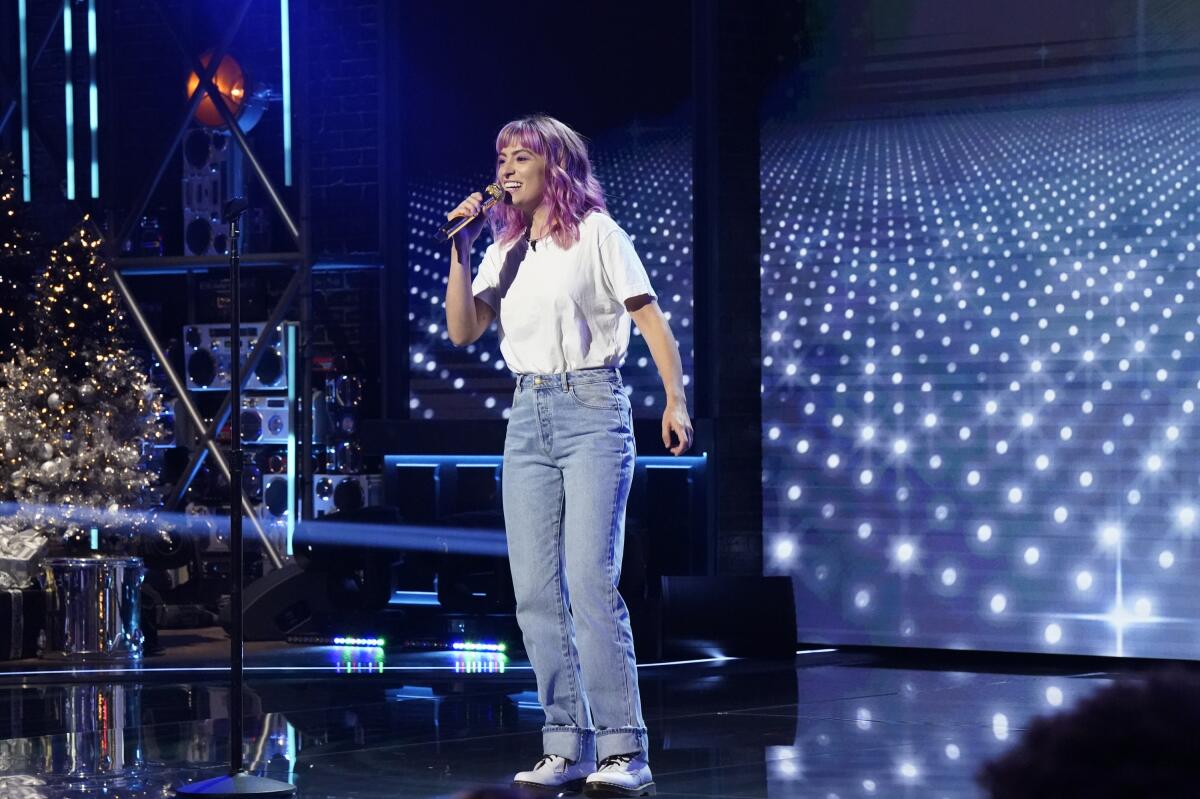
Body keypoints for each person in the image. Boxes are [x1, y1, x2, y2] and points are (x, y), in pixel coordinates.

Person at [444, 114, 692, 797]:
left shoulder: (599, 235)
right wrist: (462, 251)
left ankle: (623, 747)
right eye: (501, 157)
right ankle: (565, 743)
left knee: (589, 581)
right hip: (526, 417)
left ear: (554, 166)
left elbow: (650, 320)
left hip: (592, 410)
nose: (506, 168)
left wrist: (675, 399)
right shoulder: (504, 249)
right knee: (534, 591)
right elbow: (464, 329)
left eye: (521, 156)